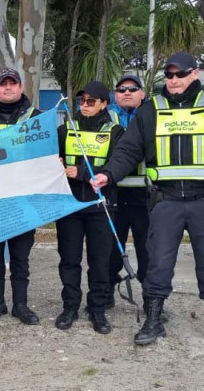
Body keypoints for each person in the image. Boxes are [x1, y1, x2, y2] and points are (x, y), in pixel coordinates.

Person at [92, 52, 204, 351]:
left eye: (180, 74)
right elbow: (129, 150)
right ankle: (153, 321)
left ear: (195, 74)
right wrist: (108, 174)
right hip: (165, 201)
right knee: (158, 264)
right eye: (169, 75)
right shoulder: (151, 110)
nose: (174, 80)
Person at [0, 67, 42, 325]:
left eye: (13, 83)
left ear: (21, 88)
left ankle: (21, 304)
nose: (8, 88)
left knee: (20, 256)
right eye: (3, 84)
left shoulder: (37, 117)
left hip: (24, 201)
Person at [54, 81, 124, 333]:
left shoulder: (116, 131)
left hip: (101, 205)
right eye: (81, 100)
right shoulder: (64, 130)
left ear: (104, 104)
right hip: (70, 205)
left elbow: (117, 166)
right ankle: (70, 306)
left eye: (90, 101)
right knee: (69, 259)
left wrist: (81, 172)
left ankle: (97, 308)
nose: (84, 105)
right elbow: (53, 162)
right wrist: (57, 163)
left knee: (100, 261)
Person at [107, 75, 149, 304]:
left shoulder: (152, 115)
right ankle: (105, 294)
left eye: (133, 88)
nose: (127, 92)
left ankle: (152, 299)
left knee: (148, 250)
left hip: (146, 194)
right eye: (121, 89)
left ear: (142, 93)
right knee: (111, 248)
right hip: (113, 193)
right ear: (115, 95)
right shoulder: (107, 118)